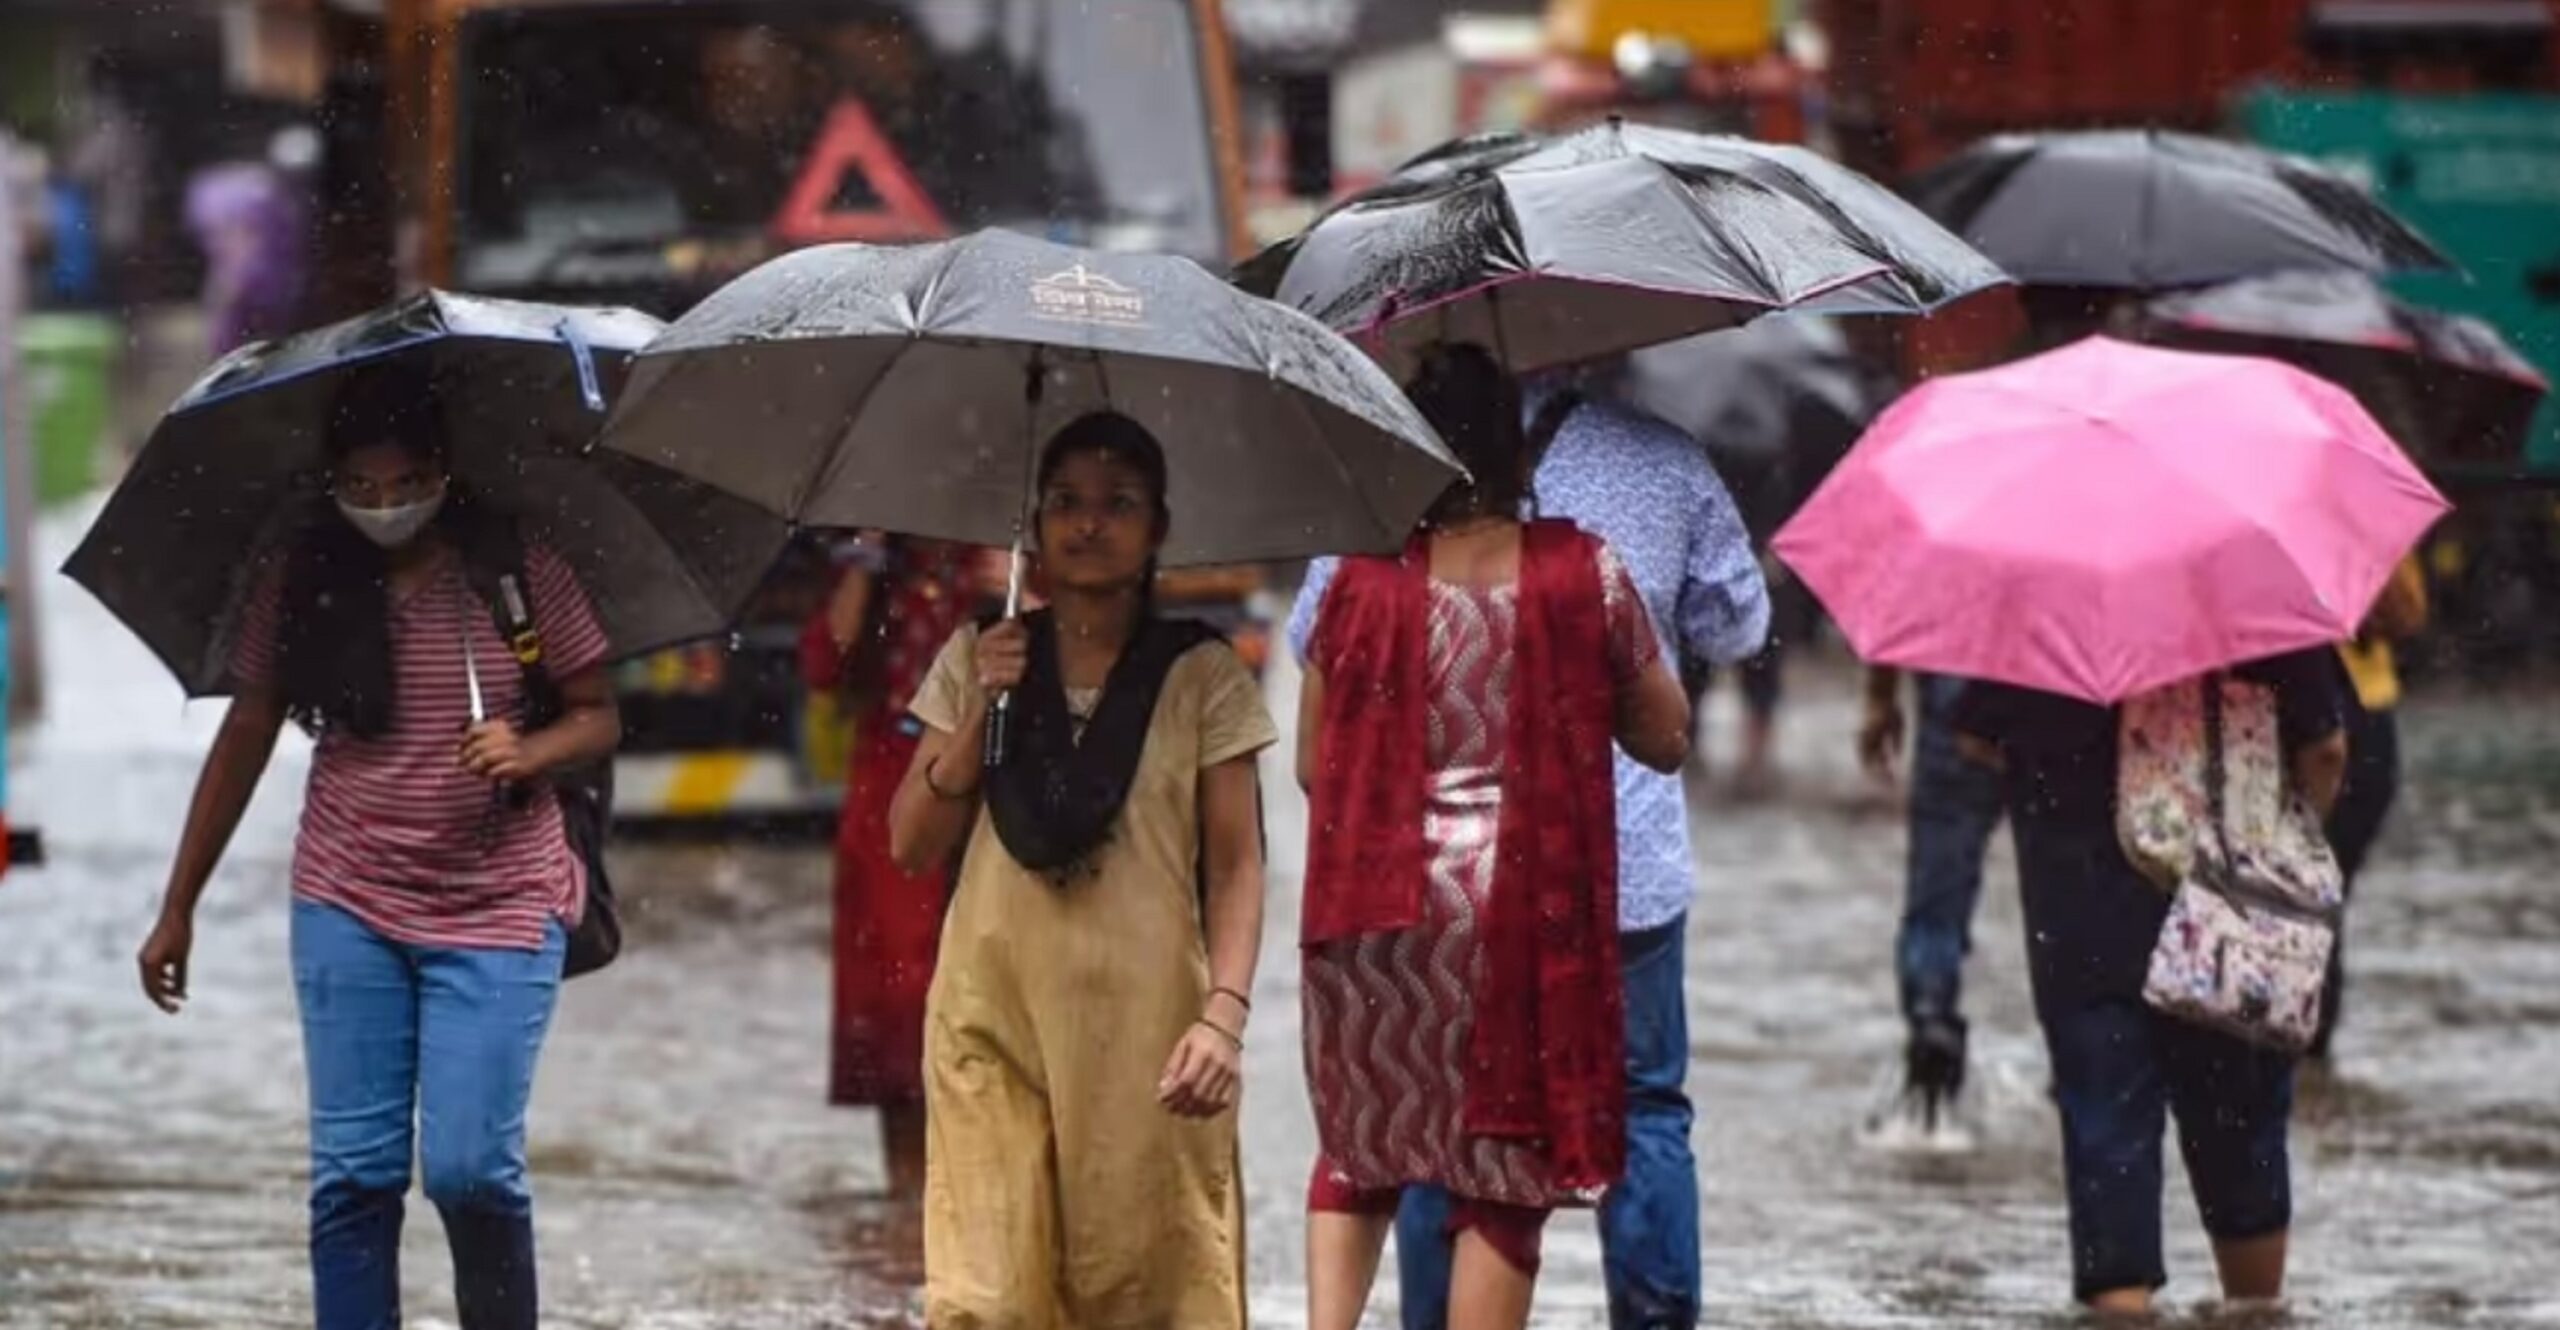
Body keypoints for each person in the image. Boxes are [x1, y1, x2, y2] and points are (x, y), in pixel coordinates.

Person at [135, 369, 620, 1330]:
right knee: (353, 1178)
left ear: (444, 471)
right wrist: (178, 902)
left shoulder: (516, 568)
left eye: (407, 484)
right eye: (364, 488)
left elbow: (600, 717)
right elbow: (247, 734)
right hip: (346, 898)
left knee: (471, 1170)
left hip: (502, 900)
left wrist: (529, 747)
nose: (388, 506)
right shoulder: (304, 578)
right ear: (333, 485)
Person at [1292, 369, 1765, 1328]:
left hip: (1377, 905)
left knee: (1375, 1142)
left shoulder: (1356, 566)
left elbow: (1311, 761)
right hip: (1550, 905)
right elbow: (1678, 722)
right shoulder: (1601, 539)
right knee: (1544, 1147)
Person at [884, 411, 1274, 1327]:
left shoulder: (1203, 673)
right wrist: (985, 702)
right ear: (1032, 526)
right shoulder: (984, 655)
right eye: (1065, 502)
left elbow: (1238, 866)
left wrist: (1224, 1017)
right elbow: (911, 843)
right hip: (992, 1014)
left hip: (1149, 1034)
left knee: (1147, 1286)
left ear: (1158, 530)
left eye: (1117, 504)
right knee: (987, 1293)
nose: (1087, 524)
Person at [1954, 652, 2347, 1314]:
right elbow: (2327, 750)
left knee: (2107, 1132)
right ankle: (2253, 1312)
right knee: (2242, 1126)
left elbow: (1975, 736)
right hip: (2231, 909)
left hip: (2080, 909)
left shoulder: (2044, 595)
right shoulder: (2249, 579)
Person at [1863, 285, 2143, 1136]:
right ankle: (2078, 1055)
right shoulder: (2114, 451)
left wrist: (1880, 695)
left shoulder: (1962, 426)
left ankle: (1933, 1027)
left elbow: (1899, 573)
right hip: (2062, 701)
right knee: (2066, 885)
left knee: (1938, 890)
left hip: (1954, 690)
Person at [798, 534, 980, 1197]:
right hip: (888, 783)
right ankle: (908, 1201)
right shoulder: (874, 564)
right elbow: (828, 666)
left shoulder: (1012, 549)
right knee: (895, 995)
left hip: (994, 778)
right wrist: (865, 560)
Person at [2317, 554, 2428, 1058]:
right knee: (2317, 898)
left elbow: (2408, 611)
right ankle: (2308, 1064)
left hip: (2348, 716)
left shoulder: (2353, 502)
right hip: (2346, 715)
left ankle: (2306, 1061)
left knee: (2317, 895)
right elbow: (2411, 612)